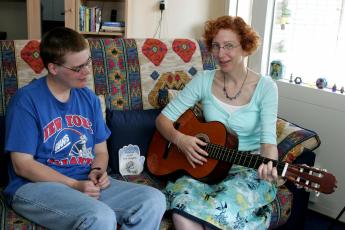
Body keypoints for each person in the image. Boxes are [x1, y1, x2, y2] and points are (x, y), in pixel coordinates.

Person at [4, 27, 166, 230]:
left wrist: (97, 171)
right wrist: (73, 186)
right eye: (78, 68)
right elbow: (22, 165)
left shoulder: (89, 98)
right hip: (33, 187)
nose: (87, 72)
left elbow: (100, 151)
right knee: (100, 216)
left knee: (153, 200)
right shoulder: (26, 101)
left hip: (84, 181)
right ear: (53, 68)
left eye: (88, 62)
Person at [156, 16, 279, 230]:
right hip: (204, 168)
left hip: (245, 170)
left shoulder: (266, 87)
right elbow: (162, 120)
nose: (221, 54)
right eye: (216, 46)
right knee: (182, 213)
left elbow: (268, 142)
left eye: (229, 46)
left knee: (218, 211)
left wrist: (269, 165)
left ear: (245, 48)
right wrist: (180, 139)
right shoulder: (204, 80)